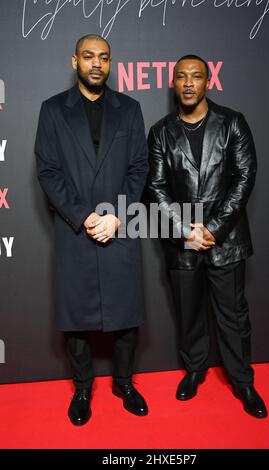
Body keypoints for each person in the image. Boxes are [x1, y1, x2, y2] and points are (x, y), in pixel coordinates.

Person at [35, 34, 149, 425]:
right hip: (76, 229)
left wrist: (116, 215)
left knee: (126, 312)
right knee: (76, 317)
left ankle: (124, 384)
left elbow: (139, 167)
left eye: (103, 57)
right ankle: (83, 389)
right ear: (75, 62)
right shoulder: (52, 110)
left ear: (110, 63)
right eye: (88, 56)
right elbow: (48, 171)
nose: (96, 63)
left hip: (119, 225)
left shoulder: (130, 109)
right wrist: (85, 216)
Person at [147, 54, 267, 418]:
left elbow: (244, 178)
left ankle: (242, 381)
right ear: (173, 84)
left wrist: (212, 229)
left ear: (207, 82)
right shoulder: (160, 131)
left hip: (225, 241)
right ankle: (195, 370)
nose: (187, 83)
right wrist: (186, 231)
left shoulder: (232, 123)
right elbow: (155, 186)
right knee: (189, 315)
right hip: (181, 243)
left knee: (233, 316)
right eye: (181, 77)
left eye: (195, 76)